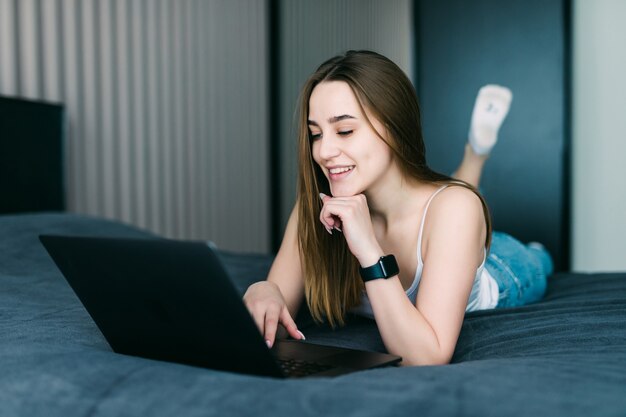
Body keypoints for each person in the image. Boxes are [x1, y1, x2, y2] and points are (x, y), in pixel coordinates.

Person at [243, 50, 553, 366]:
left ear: (394, 126)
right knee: (461, 207)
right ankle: (473, 164)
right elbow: (274, 317)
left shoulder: (454, 210)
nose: (323, 151)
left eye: (345, 131)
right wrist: (263, 290)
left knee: (527, 250)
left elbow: (427, 356)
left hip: (503, 266)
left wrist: (368, 251)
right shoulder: (316, 206)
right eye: (316, 134)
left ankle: (476, 155)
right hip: (448, 224)